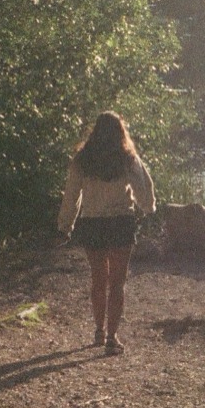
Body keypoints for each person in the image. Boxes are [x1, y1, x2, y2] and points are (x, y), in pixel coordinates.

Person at [57, 111, 155, 355]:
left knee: (98, 280)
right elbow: (144, 185)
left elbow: (71, 195)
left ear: (95, 131)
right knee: (117, 282)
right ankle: (112, 336)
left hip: (92, 224)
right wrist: (148, 206)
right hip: (120, 223)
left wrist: (65, 225)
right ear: (121, 131)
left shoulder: (82, 159)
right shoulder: (127, 158)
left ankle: (99, 331)